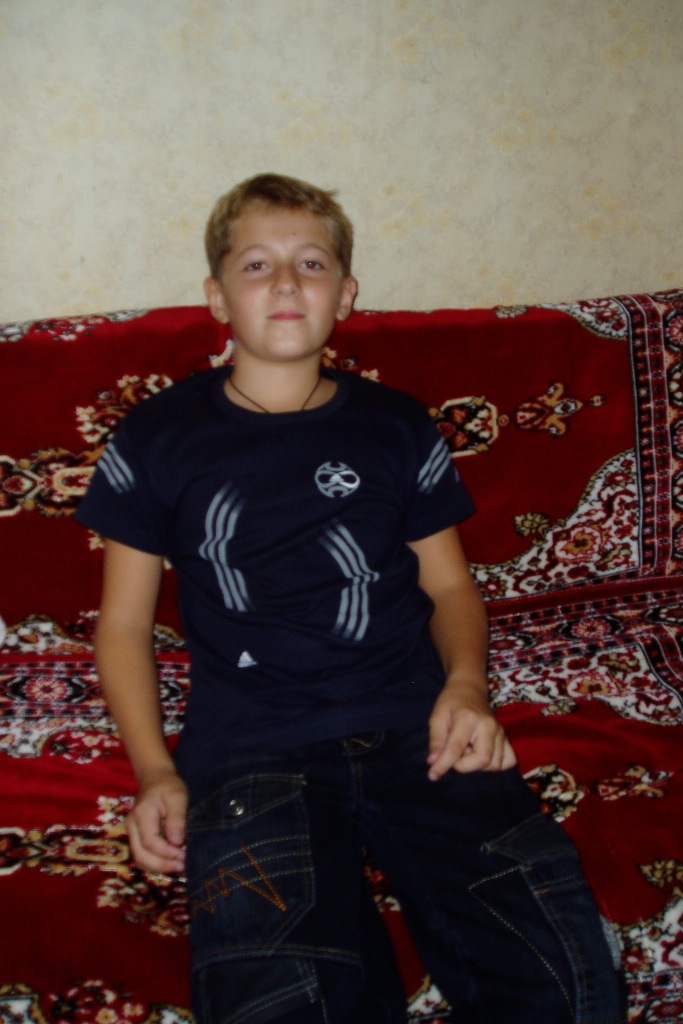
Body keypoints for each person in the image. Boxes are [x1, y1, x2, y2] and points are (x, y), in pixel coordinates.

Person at [77, 172, 625, 1024]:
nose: (285, 282)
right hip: (252, 747)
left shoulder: (396, 424)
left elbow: (449, 584)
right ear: (217, 298)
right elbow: (121, 626)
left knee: (566, 987)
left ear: (346, 294)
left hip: (420, 728)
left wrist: (467, 687)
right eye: (256, 265)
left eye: (311, 263)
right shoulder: (155, 436)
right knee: (280, 1003)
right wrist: (155, 771)